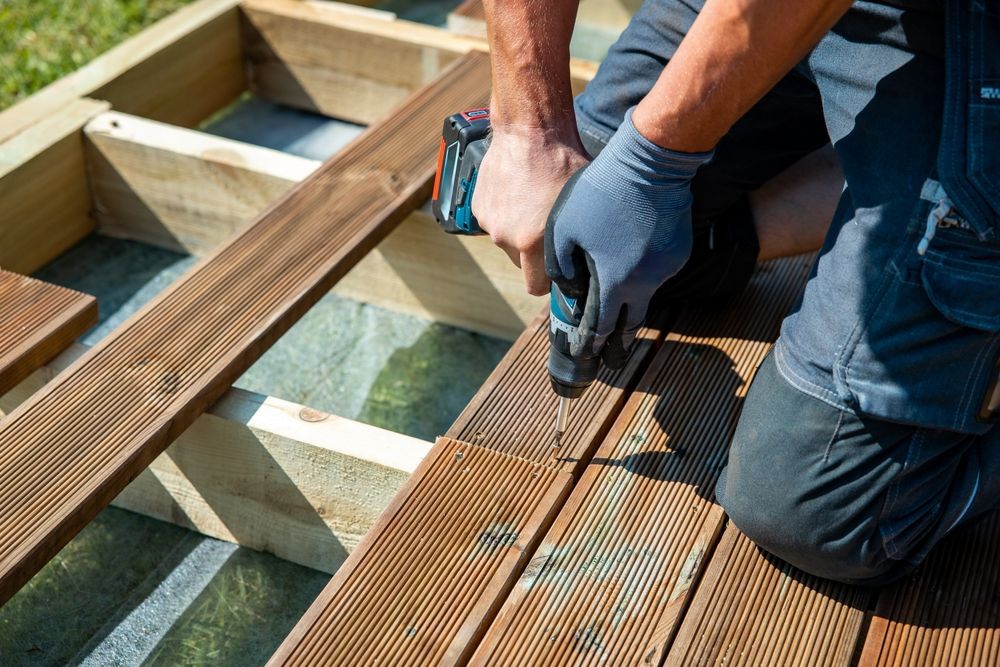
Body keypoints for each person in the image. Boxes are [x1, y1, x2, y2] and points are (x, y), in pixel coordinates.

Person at [471, 0, 1000, 585]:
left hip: (971, 35)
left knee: (817, 510)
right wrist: (529, 131)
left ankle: (907, 203)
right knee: (591, 230)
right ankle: (868, 190)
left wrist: (651, 164)